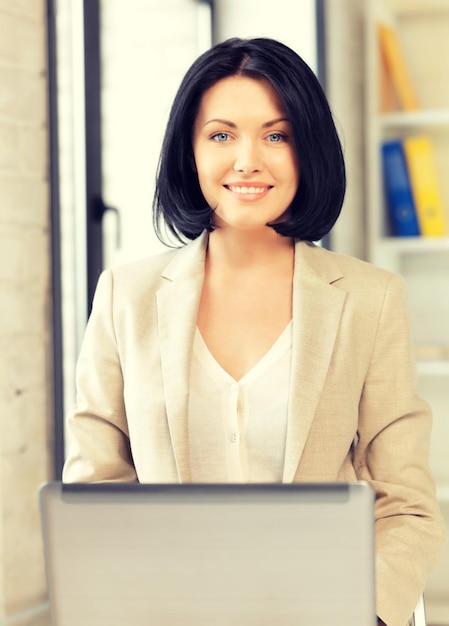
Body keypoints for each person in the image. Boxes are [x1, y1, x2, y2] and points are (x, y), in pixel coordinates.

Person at [62, 37, 445, 626]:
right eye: (221, 135)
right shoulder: (125, 296)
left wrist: (364, 613)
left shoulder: (370, 299)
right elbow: (94, 492)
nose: (247, 160)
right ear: (189, 151)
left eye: (276, 135)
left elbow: (405, 506)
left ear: (307, 149)